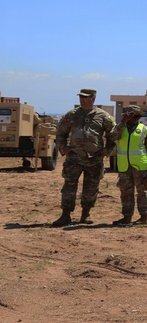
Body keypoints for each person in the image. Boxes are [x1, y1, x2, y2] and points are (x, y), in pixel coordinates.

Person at [52, 88, 116, 227]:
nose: (82, 100)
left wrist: (106, 151)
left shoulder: (103, 116)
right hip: (74, 157)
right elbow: (61, 133)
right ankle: (65, 215)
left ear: (93, 98)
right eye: (80, 97)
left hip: (94, 158)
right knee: (69, 186)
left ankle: (86, 214)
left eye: (85, 97)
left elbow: (113, 135)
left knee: (91, 187)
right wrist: (63, 148)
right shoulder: (71, 115)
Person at [109, 105, 147, 226]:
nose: (133, 118)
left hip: (141, 166)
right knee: (126, 191)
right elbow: (113, 137)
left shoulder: (144, 130)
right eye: (130, 116)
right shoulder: (120, 128)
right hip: (124, 165)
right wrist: (123, 122)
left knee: (143, 191)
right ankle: (127, 217)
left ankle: (144, 217)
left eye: (135, 116)